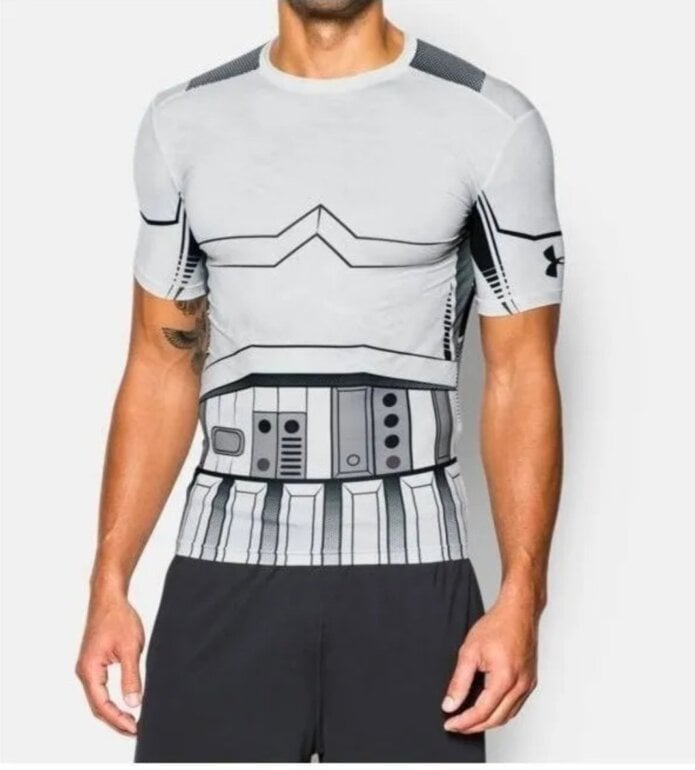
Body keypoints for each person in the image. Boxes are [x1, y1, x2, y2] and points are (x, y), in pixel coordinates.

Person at [76, 0, 565, 762]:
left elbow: (521, 372)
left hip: (412, 577)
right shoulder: (184, 123)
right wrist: (108, 583)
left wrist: (523, 597)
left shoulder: (490, 122)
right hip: (224, 572)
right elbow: (160, 362)